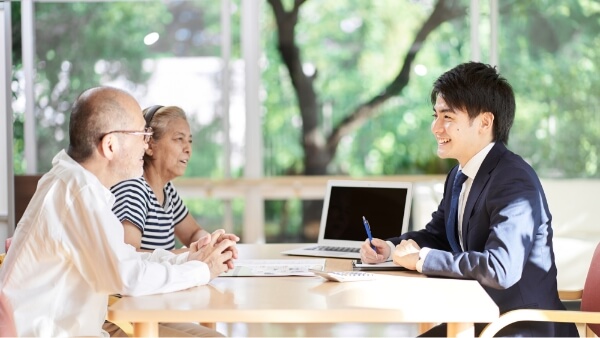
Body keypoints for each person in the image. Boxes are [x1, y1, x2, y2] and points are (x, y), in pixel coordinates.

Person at [360, 62, 578, 337]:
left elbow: (501, 268)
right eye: (435, 115)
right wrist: (390, 250)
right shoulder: (459, 175)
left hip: (518, 327)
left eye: (447, 117)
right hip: (479, 317)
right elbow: (438, 236)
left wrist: (421, 260)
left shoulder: (513, 179)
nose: (436, 127)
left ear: (485, 122)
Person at [0, 86, 237, 337]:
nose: (146, 145)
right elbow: (128, 277)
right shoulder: (79, 193)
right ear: (110, 145)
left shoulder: (75, 183)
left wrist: (189, 259)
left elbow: (124, 259)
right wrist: (202, 269)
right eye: (141, 134)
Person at [110, 105, 239, 254]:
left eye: (189, 141)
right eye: (179, 139)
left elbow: (193, 233)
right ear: (150, 145)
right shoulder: (133, 189)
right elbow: (129, 257)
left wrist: (211, 244)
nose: (188, 149)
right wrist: (190, 255)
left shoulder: (167, 190)